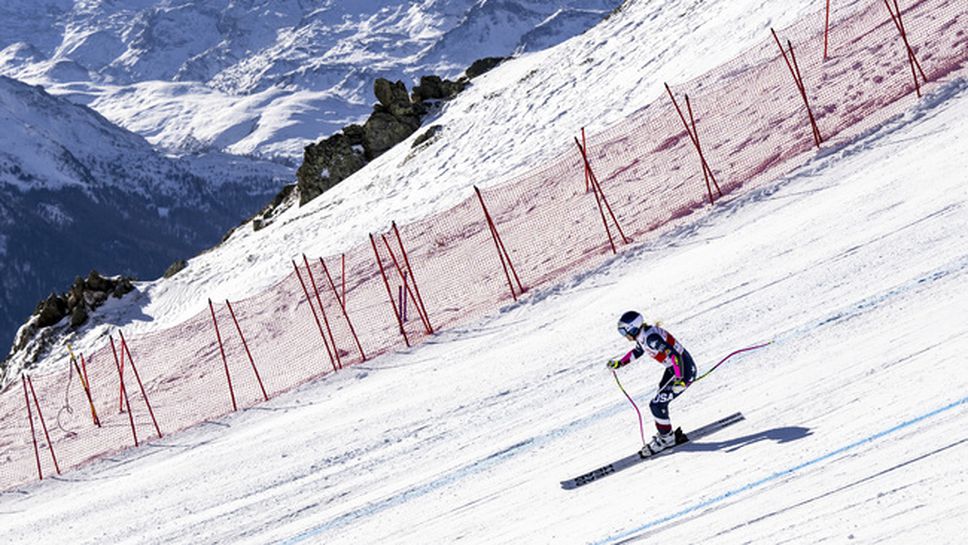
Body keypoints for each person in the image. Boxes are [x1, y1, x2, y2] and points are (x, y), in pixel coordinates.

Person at [607, 310, 697, 455]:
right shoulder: (644, 335)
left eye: (624, 332)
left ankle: (667, 439)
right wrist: (619, 363)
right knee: (659, 401)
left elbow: (674, 356)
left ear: (632, 328)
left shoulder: (651, 338)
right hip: (674, 370)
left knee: (656, 404)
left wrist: (680, 380)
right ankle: (666, 434)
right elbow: (638, 351)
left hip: (683, 371)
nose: (624, 336)